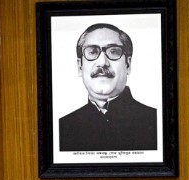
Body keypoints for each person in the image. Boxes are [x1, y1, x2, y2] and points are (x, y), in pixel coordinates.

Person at [58, 23, 158, 152]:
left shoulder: (156, 122)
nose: (102, 63)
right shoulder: (62, 128)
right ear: (80, 67)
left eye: (113, 52)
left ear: (128, 64)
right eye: (92, 52)